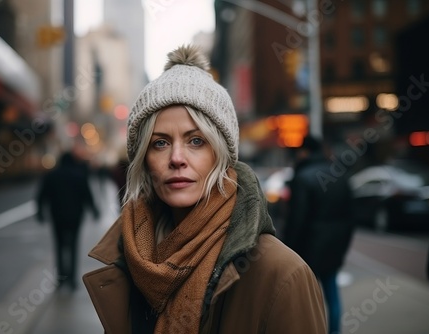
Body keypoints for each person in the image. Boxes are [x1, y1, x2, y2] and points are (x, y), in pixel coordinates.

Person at [83, 45, 327, 333]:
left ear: (221, 155)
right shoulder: (131, 262)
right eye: (160, 142)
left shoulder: (282, 275)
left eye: (196, 141)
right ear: (144, 160)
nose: (176, 158)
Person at [282, 135, 355, 334]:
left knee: (306, 299)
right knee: (332, 294)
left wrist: (288, 248)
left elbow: (297, 220)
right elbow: (350, 215)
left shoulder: (302, 176)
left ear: (304, 152)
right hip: (335, 245)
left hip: (308, 247)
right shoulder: (340, 174)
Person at [36, 151, 100, 290]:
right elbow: (87, 195)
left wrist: (40, 212)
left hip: (57, 216)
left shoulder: (51, 175)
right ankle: (71, 279)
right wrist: (94, 211)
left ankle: (61, 278)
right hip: (75, 216)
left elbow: (42, 195)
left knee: (59, 246)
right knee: (73, 245)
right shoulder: (78, 175)